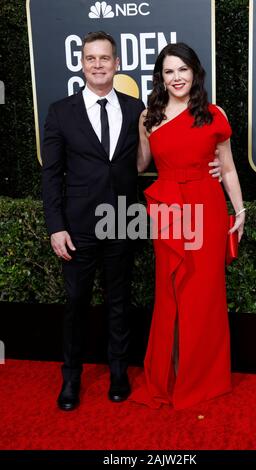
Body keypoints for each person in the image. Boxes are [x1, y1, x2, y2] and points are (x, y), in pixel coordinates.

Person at [42, 32, 223, 411]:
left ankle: (119, 374)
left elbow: (151, 158)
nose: (97, 64)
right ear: (81, 64)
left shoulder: (136, 109)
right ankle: (71, 379)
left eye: (104, 58)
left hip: (124, 220)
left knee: (120, 301)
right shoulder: (60, 111)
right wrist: (56, 226)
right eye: (90, 58)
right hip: (77, 227)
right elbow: (51, 174)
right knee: (76, 302)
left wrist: (213, 166)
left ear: (116, 64)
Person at [132, 42, 245, 410]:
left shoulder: (213, 113)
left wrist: (239, 211)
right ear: (160, 78)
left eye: (183, 69)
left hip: (207, 207)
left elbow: (226, 167)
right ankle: (172, 374)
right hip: (167, 210)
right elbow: (138, 164)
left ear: (195, 72)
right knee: (171, 293)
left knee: (204, 294)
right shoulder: (149, 116)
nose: (176, 77)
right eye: (169, 71)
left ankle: (203, 378)